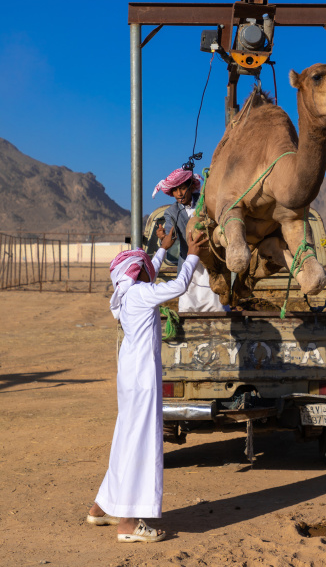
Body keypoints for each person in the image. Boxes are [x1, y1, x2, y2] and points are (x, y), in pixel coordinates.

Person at [87, 229, 207, 543]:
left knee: (125, 436)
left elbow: (145, 270)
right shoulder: (141, 293)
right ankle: (127, 524)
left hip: (130, 375)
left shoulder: (126, 291)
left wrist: (161, 249)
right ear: (136, 272)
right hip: (142, 378)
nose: (148, 270)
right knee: (140, 442)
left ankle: (100, 507)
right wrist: (191, 252)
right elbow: (179, 285)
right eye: (144, 267)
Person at [152, 168, 223, 312]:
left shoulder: (206, 203)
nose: (179, 193)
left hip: (210, 262)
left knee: (216, 306)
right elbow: (172, 237)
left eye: (183, 188)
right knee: (187, 306)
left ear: (191, 187)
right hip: (188, 265)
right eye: (175, 190)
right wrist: (163, 238)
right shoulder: (171, 212)